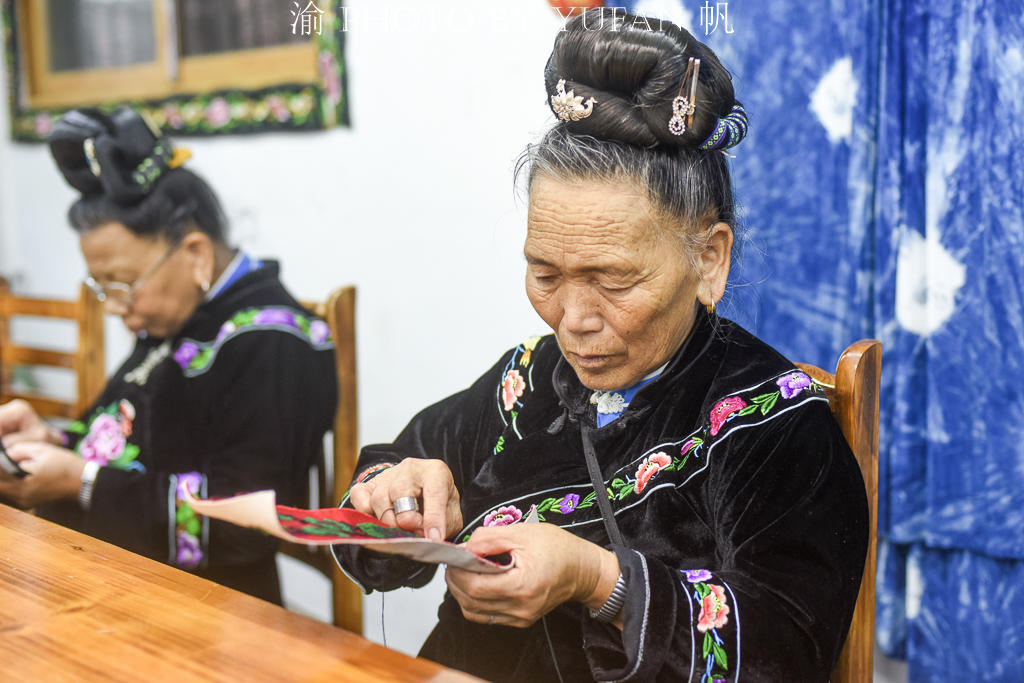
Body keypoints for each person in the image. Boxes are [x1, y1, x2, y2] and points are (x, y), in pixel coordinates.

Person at [334, 10, 869, 683]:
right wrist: (396, 499)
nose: (573, 320)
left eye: (613, 279)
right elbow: (373, 493)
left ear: (709, 259)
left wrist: (601, 582)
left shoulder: (774, 428)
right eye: (546, 275)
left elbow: (783, 653)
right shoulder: (525, 385)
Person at [0, 108, 337, 604]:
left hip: (207, 611)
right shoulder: (176, 319)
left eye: (124, 285)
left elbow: (242, 523)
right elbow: (129, 445)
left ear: (196, 254)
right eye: (103, 289)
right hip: (112, 575)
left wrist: (82, 483)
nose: (115, 308)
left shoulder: (272, 342)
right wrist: (51, 439)